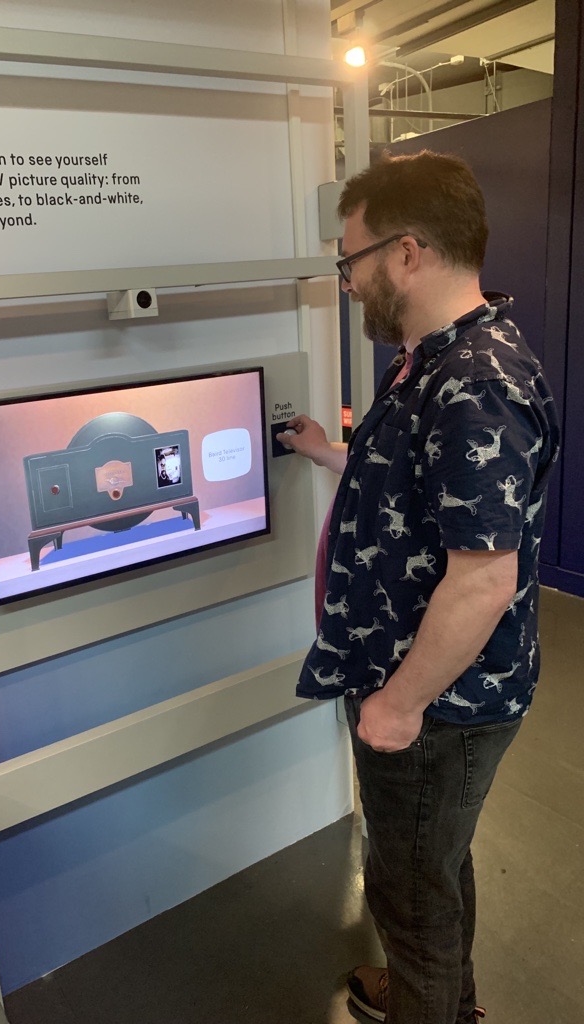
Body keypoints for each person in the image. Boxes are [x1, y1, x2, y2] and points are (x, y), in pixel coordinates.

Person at [277, 150, 559, 1024]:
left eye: (351, 260)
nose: (349, 279)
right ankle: (446, 1000)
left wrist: (397, 707)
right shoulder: (435, 357)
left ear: (405, 253)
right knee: (434, 864)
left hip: (436, 704)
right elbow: (420, 487)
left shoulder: (475, 382)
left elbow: (482, 581)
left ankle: (429, 1002)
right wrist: (330, 449)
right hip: (425, 688)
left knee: (408, 890)